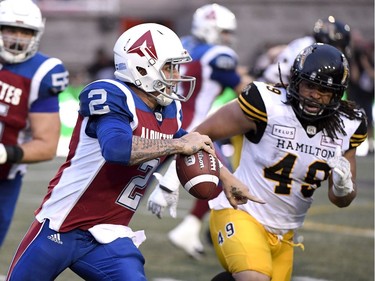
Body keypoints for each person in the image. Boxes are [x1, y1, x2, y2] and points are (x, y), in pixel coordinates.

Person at [5, 23, 263, 281]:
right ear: (141, 67)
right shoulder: (111, 94)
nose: (176, 75)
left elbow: (186, 140)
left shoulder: (170, 108)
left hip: (110, 234)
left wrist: (227, 178)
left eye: (177, 67)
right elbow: (117, 149)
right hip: (61, 225)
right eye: (169, 67)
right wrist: (177, 145)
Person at [194, 43, 368, 281]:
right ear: (296, 81)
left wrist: (343, 186)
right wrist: (225, 176)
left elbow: (341, 200)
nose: (315, 95)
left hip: (285, 234)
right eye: (310, 85)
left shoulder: (348, 125)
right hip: (241, 213)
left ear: (337, 94)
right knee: (255, 278)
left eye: (325, 90)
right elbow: (197, 137)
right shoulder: (267, 104)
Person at [147, 3, 252, 259]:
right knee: (222, 180)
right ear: (212, 29)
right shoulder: (219, 55)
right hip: (194, 129)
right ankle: (196, 229)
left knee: (139, 175)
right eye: (224, 32)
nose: (227, 38)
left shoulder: (183, 44)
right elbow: (245, 92)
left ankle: (190, 228)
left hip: (164, 121)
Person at [0, 0, 69, 249]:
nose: (18, 38)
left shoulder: (41, 72)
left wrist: (5, 152)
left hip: (4, 178)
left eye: (26, 32)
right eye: (10, 29)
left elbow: (47, 145)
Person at [262, 15, 351, 84]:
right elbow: (292, 71)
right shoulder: (310, 47)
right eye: (338, 47)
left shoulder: (306, 42)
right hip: (278, 81)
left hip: (276, 78)